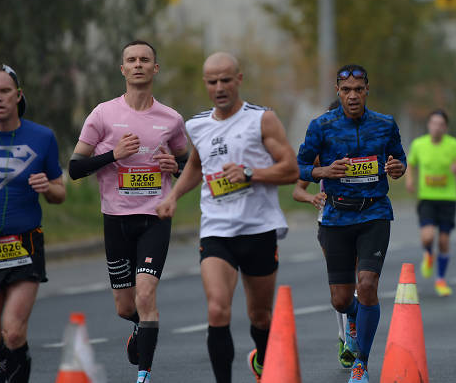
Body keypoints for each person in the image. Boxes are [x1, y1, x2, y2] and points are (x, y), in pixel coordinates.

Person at [156, 52, 298, 383]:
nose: (219, 87)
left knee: (260, 315)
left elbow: (291, 169)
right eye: (212, 82)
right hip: (217, 231)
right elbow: (195, 164)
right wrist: (172, 196)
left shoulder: (263, 119)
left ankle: (262, 360)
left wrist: (250, 173)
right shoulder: (197, 125)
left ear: (239, 80)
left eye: (225, 80)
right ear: (205, 84)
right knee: (218, 309)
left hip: (258, 228)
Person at [69, 41, 188, 383]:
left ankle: (143, 375)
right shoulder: (103, 114)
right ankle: (140, 326)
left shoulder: (171, 119)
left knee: (146, 294)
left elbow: (187, 162)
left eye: (144, 60)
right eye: (131, 60)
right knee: (125, 306)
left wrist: (174, 166)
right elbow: (75, 168)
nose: (138, 65)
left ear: (155, 68)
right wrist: (114, 155)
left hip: (155, 216)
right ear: (122, 69)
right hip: (116, 219)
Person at [297, 64, 407, 383]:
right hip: (336, 218)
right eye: (346, 90)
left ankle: (361, 362)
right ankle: (353, 321)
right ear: (338, 93)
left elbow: (398, 161)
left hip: (374, 214)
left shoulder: (385, 125)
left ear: (367, 90)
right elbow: (300, 166)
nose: (353, 95)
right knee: (341, 300)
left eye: (358, 89)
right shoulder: (322, 126)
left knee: (368, 286)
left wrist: (398, 168)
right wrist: (323, 172)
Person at [0, 64, 66, 382]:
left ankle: (16, 355)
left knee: (14, 331)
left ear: (18, 95)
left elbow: (60, 191)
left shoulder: (42, 137)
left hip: (25, 245)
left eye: (4, 91)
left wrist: (48, 188)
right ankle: (5, 358)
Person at [291, 100, 357, 368]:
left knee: (358, 283)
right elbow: (297, 189)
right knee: (341, 284)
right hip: (329, 223)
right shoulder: (320, 151)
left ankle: (351, 335)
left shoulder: (364, 146)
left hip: (363, 220)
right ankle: (345, 337)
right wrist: (311, 198)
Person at [405, 109, 456, 296]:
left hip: (448, 198)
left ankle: (440, 279)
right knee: (427, 237)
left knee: (443, 240)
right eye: (433, 123)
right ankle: (428, 254)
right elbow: (411, 163)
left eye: (441, 124)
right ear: (428, 125)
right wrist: (410, 180)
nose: (437, 128)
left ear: (446, 128)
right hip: (427, 198)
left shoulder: (454, 145)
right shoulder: (419, 144)